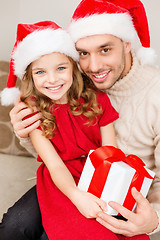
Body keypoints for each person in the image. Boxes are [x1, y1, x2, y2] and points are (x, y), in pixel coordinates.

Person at [0, 0, 160, 239]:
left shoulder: (150, 93)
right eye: (83, 53)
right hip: (65, 177)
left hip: (115, 183)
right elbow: (54, 154)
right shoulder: (72, 84)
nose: (93, 66)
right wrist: (24, 132)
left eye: (105, 49)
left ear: (127, 44)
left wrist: (153, 218)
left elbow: (111, 155)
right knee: (14, 226)